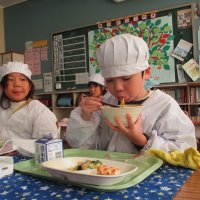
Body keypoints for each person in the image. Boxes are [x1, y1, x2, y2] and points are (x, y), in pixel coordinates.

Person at [66, 34, 197, 153]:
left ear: (146, 72)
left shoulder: (164, 106)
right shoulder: (106, 104)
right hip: (108, 173)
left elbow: (186, 151)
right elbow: (85, 149)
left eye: (126, 78)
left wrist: (141, 140)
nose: (117, 88)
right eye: (109, 80)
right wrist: (85, 118)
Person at [0, 61, 59, 141]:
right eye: (10, 79)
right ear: (2, 87)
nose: (17, 84)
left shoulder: (39, 111)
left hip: (29, 153)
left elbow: (46, 145)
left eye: (22, 79)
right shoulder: (2, 106)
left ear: (30, 86)